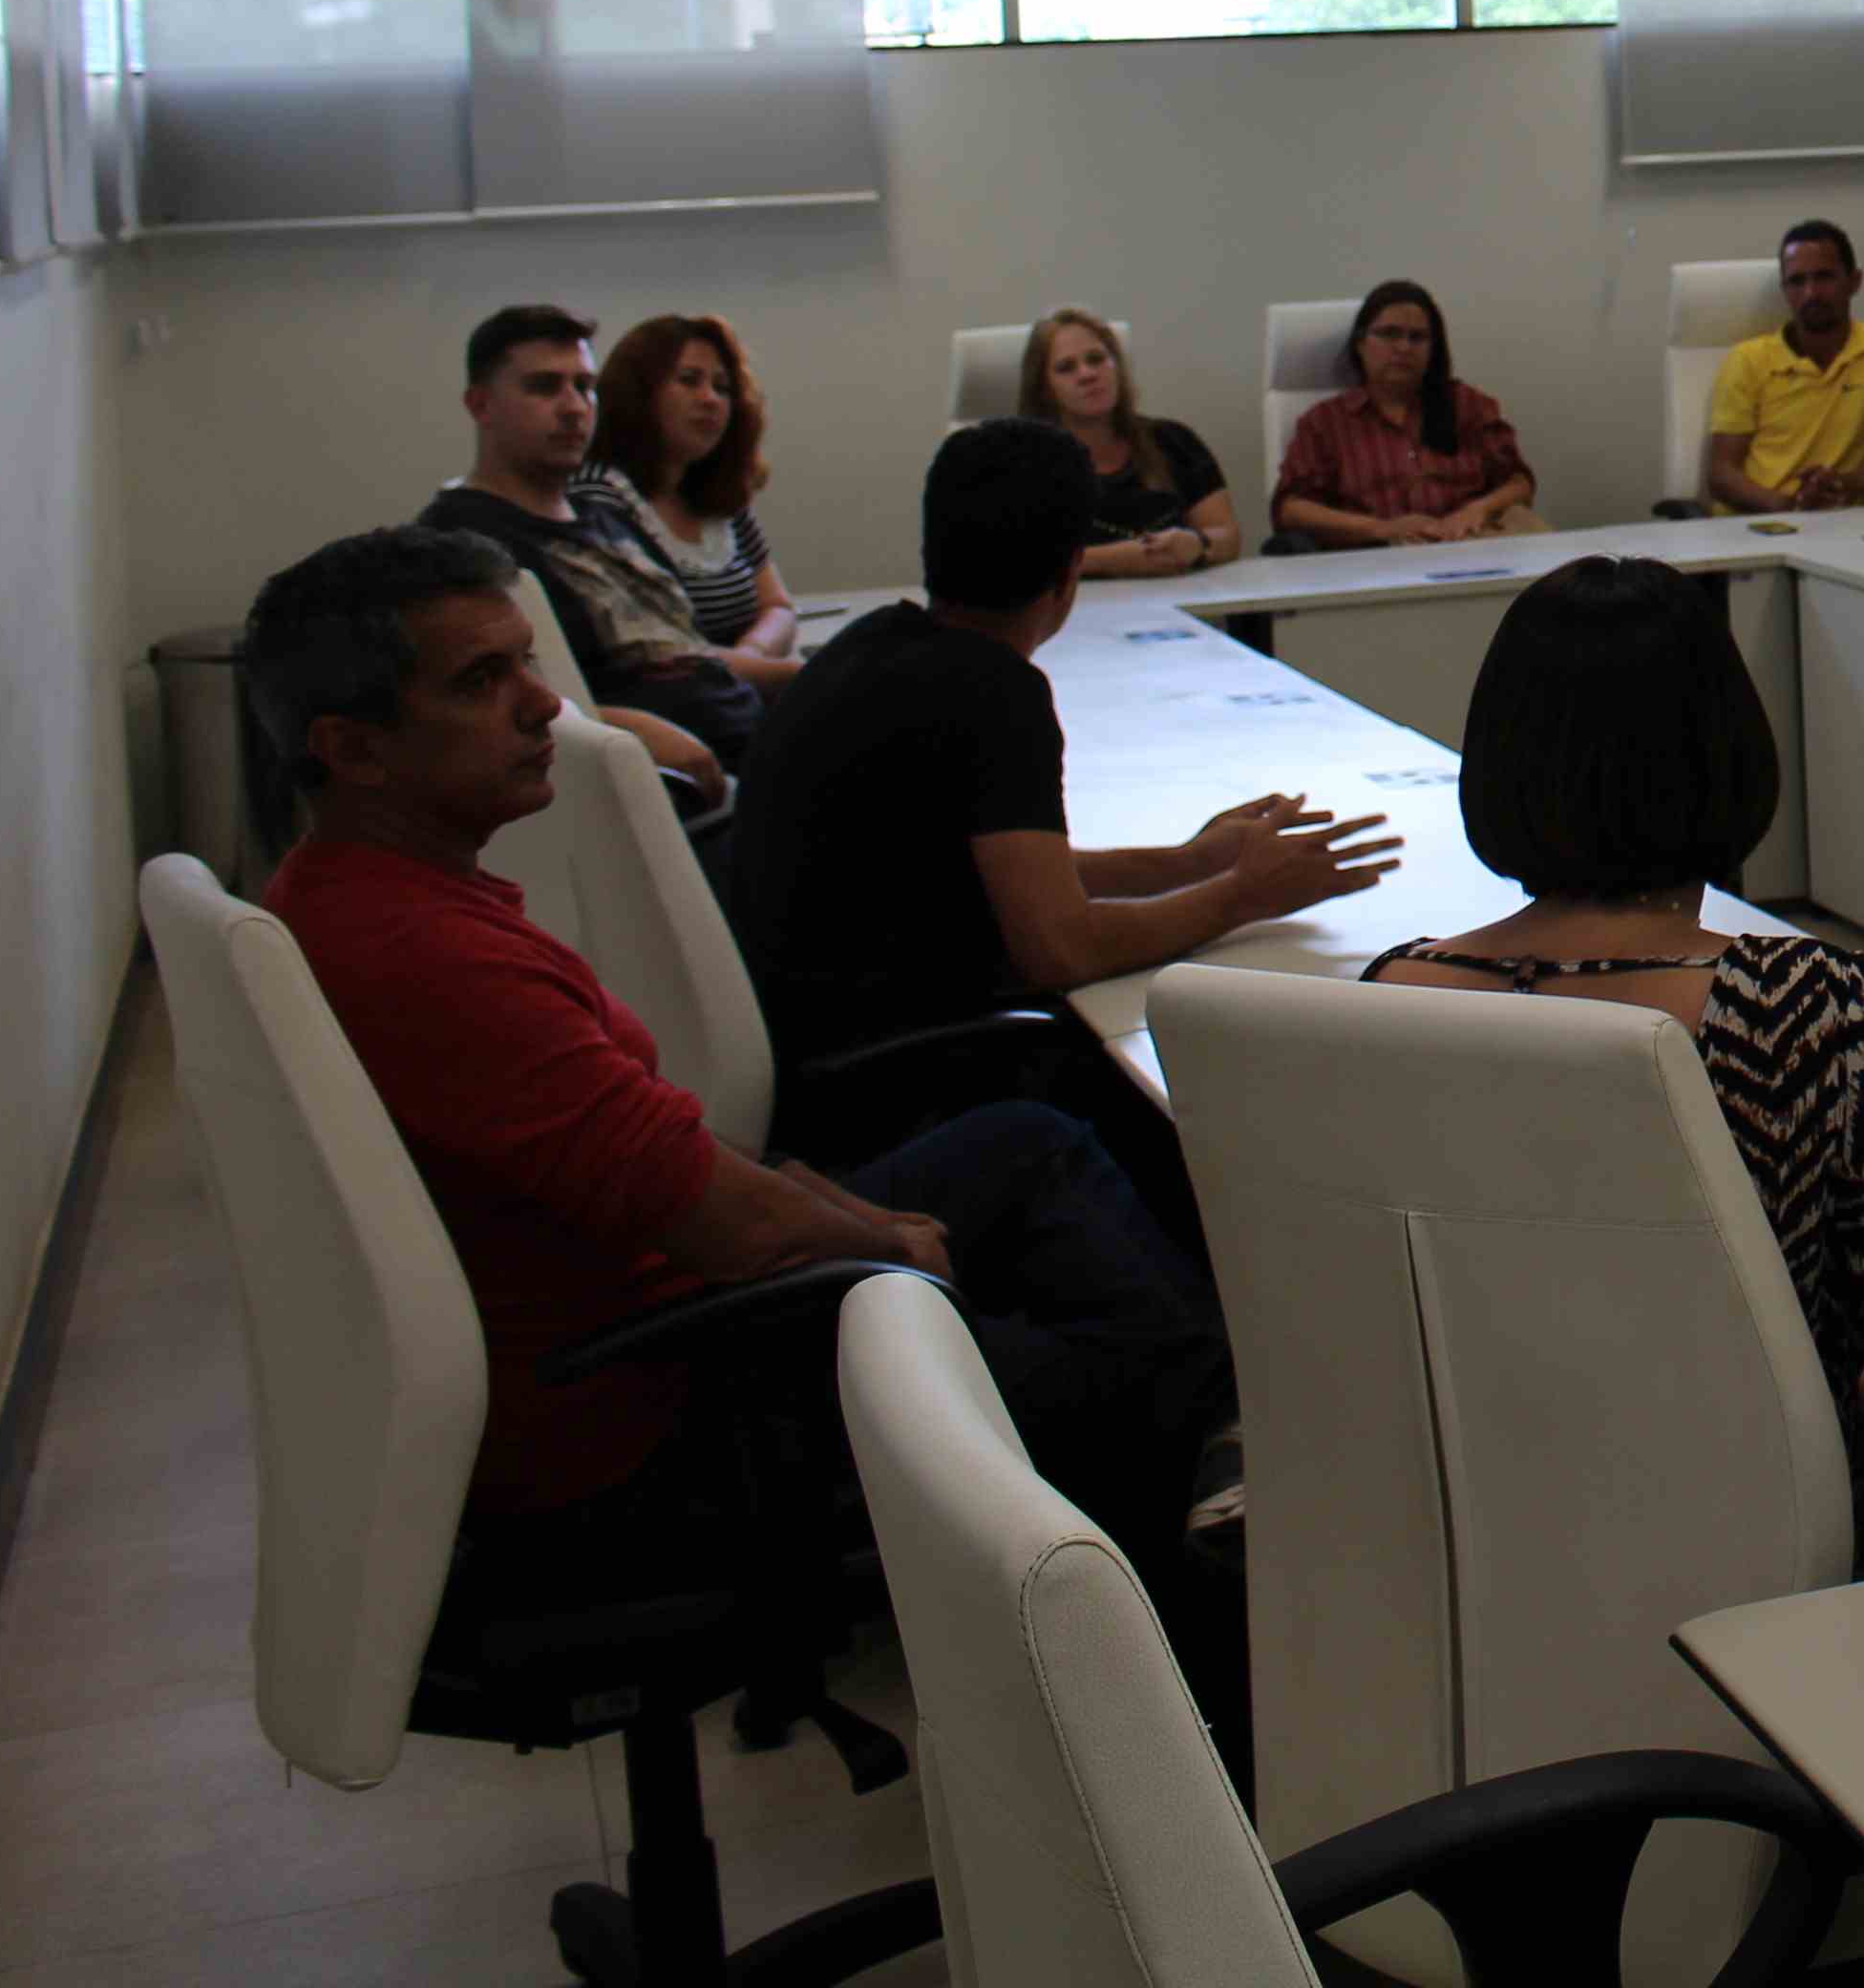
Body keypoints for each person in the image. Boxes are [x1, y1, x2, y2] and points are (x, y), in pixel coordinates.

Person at [235, 523, 1236, 1571]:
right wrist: (888, 1245)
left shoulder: (351, 892)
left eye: (527, 661)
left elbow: (660, 1158)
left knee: (1030, 1143)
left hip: (656, 1303)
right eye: (482, 681)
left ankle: (1193, 1430)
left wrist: (847, 1212)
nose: (542, 703)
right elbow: (729, 1230)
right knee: (1127, 1364)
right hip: (663, 1401)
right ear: (354, 750)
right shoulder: (428, 960)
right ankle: (1188, 1492)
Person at [1365, 559, 1864, 1539]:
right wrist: (1824, 1377)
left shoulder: (1395, 996)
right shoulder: (1796, 1003)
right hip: (1760, 1559)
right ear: (1727, 756)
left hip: (1471, 1555)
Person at [732, 420, 1402, 1069]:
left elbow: (1012, 870)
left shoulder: (872, 643)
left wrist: (1188, 862)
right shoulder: (995, 693)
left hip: (803, 1037)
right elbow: (1061, 949)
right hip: (890, 1070)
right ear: (1070, 572)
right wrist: (1244, 895)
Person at [420, 303, 755, 798]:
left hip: (748, 746)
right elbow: (488, 705)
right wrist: (623, 730)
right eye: (544, 387)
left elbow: (688, 646)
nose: (574, 407)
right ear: (481, 404)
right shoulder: (458, 540)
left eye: (584, 386)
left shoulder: (606, 512)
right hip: (661, 787)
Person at [578, 311, 800, 689]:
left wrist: (753, 654)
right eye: (689, 380)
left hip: (745, 691)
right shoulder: (599, 499)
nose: (710, 399)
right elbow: (667, 652)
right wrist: (800, 677)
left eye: (722, 387)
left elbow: (778, 606)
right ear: (639, 392)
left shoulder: (719, 495)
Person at [1270, 279, 1536, 548]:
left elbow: (1519, 483)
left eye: (1417, 337)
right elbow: (1290, 509)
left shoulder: (1468, 405)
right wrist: (1380, 528)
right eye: (1389, 334)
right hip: (1376, 555)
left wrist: (1478, 510)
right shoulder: (1326, 422)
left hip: (1471, 546)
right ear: (1360, 343)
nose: (1404, 347)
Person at [1700, 221, 1864, 513]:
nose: (1811, 293)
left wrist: (1844, 484)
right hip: (1759, 521)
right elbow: (1721, 475)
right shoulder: (1747, 360)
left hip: (1842, 520)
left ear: (1854, 281)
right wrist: (1791, 507)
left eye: (1824, 277)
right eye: (1797, 281)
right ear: (1784, 290)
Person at [1021, 308, 1237, 579]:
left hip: (1180, 600)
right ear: (1044, 389)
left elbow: (1228, 537)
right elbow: (1018, 559)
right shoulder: (1028, 463)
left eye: (1096, 359)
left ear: (1117, 367)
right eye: (1067, 367)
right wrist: (1118, 559)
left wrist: (1198, 545)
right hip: (1082, 605)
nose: (1087, 374)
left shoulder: (1173, 440)